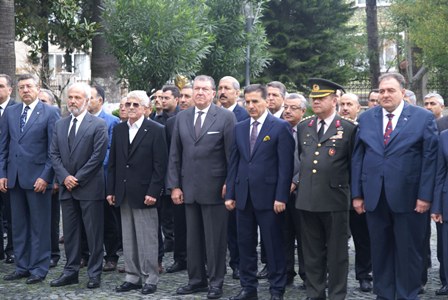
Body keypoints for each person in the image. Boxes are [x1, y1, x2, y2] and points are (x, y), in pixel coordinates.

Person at [351, 72, 438, 299]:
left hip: (410, 199)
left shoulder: (422, 118)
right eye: (382, 91)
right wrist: (357, 194)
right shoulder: (367, 118)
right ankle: (384, 294)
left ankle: (407, 294)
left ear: (402, 91)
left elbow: (430, 160)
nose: (385, 95)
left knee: (409, 252)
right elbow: (358, 158)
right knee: (379, 251)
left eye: (390, 90)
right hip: (375, 196)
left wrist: (425, 196)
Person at [167, 75, 235, 299]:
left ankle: (216, 282)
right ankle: (196, 280)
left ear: (213, 93)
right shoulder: (182, 117)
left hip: (216, 189)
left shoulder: (225, 117)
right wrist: (174, 186)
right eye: (196, 88)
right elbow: (175, 155)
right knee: (192, 238)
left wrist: (229, 184)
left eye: (205, 89)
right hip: (188, 188)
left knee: (215, 240)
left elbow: (231, 156)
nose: (200, 93)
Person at [225, 83, 294, 300]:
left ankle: (277, 288)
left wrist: (281, 196)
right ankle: (248, 287)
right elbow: (234, 163)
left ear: (266, 101)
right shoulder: (240, 127)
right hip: (244, 197)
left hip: (269, 197)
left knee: (273, 245)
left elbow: (286, 167)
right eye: (247, 102)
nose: (251, 106)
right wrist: (230, 194)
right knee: (245, 244)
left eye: (255, 101)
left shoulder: (280, 127)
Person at [296, 78, 357, 300]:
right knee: (311, 253)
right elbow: (302, 160)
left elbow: (353, 166)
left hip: (334, 200)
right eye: (314, 98)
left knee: (337, 254)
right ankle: (315, 294)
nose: (316, 102)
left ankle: (337, 295)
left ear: (334, 100)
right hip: (307, 200)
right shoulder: (305, 126)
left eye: (321, 98)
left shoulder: (348, 129)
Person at [0, 74, 60, 285]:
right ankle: (22, 265)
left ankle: (39, 267)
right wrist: (2, 174)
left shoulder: (50, 112)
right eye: (21, 87)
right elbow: (3, 146)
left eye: (29, 86)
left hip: (38, 180)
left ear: (37, 88)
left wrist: (46, 177)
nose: (25, 90)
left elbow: (54, 150)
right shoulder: (11, 112)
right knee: (19, 225)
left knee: (39, 226)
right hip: (14, 178)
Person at [107, 90, 168, 295]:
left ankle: (150, 277)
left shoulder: (156, 130)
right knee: (129, 238)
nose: (130, 108)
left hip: (145, 194)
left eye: (135, 105)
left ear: (146, 109)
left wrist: (154, 191)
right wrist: (112, 190)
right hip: (123, 193)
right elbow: (113, 163)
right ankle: (132, 277)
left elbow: (161, 165)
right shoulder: (119, 130)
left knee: (147, 238)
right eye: (128, 104)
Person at [50, 82, 108, 289]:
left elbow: (97, 157)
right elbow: (54, 154)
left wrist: (77, 178)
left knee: (93, 234)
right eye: (70, 97)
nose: (73, 101)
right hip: (67, 189)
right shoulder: (60, 124)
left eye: (77, 98)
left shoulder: (98, 124)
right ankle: (70, 271)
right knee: (71, 234)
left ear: (87, 101)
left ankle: (94, 273)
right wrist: (65, 177)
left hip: (89, 188)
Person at [83, 84, 121, 272]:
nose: (87, 101)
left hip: (102, 177)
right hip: (82, 179)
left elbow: (110, 151)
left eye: (91, 97)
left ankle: (111, 256)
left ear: (101, 100)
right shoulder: (78, 120)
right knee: (85, 220)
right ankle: (85, 254)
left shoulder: (112, 121)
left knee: (108, 220)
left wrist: (90, 165)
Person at [218, 76, 250, 280]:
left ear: (236, 93)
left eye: (227, 88)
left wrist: (230, 181)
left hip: (236, 178)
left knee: (236, 226)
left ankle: (238, 263)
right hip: (214, 175)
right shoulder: (214, 114)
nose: (222, 91)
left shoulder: (244, 115)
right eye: (220, 88)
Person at [164, 85, 194, 274]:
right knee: (180, 223)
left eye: (186, 96)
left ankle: (204, 260)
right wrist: (173, 184)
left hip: (201, 181)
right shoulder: (172, 122)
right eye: (181, 96)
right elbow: (170, 155)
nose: (182, 100)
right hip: (180, 181)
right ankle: (180, 258)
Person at [281, 93, 307, 287]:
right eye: (286, 107)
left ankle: (308, 275)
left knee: (305, 237)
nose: (288, 111)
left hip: (303, 193)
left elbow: (310, 161)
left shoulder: (308, 131)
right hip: (280, 193)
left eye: (293, 108)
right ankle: (286, 272)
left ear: (303, 111)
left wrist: (295, 182)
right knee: (283, 235)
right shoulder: (278, 129)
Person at [38, 88, 61, 269]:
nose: (40, 104)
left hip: (50, 177)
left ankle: (53, 253)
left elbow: (55, 150)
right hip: (32, 176)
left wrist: (53, 179)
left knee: (52, 219)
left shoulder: (53, 117)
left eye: (44, 101)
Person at [0, 74, 16, 265]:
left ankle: (12, 249)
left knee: (12, 214)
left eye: (1, 86)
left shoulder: (16, 110)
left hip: (10, 172)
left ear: (10, 90)